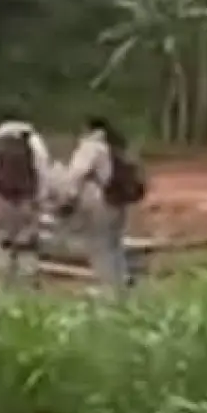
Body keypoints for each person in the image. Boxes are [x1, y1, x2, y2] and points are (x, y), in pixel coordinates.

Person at [0, 113, 50, 288]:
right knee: (26, 245)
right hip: (28, 203)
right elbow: (43, 174)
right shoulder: (34, 143)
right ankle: (27, 288)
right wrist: (38, 200)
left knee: (1, 245)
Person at [67, 116, 145, 296]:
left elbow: (76, 174)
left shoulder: (91, 147)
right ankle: (121, 282)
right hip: (119, 200)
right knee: (115, 243)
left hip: (99, 200)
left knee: (99, 245)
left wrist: (69, 197)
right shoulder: (116, 146)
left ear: (88, 128)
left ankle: (107, 286)